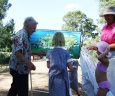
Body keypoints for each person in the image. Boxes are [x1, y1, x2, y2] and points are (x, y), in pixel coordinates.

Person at [7, 17, 46, 96]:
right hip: (19, 69)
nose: (34, 30)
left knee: (15, 88)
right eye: (33, 28)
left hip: (20, 69)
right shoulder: (21, 35)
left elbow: (26, 51)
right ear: (27, 26)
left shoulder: (26, 35)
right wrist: (29, 63)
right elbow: (17, 53)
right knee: (23, 91)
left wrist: (38, 53)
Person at [46, 32, 76, 96]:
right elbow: (70, 67)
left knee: (53, 93)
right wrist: (74, 68)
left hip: (52, 77)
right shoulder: (66, 52)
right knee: (62, 93)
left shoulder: (49, 52)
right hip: (62, 77)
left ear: (53, 40)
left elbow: (48, 66)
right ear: (63, 40)